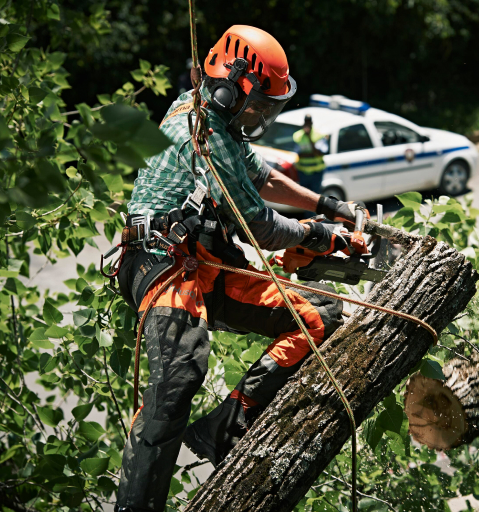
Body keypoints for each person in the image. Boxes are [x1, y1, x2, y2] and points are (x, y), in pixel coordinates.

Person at [114, 25, 366, 512]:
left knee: (316, 319)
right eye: (260, 104)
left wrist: (330, 206)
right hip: (159, 262)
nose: (264, 114)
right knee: (180, 375)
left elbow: (264, 178)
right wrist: (318, 233)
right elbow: (261, 226)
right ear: (232, 88)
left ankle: (222, 430)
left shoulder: (221, 124)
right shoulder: (200, 130)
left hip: (203, 263)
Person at [293, 114, 328, 201]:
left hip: (316, 172)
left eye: (309, 122)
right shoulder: (297, 136)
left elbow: (320, 153)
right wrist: (312, 153)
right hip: (303, 172)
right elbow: (298, 153)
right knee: (304, 198)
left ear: (312, 123)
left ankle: (312, 215)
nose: (307, 124)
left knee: (315, 198)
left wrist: (309, 138)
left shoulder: (319, 135)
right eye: (306, 122)